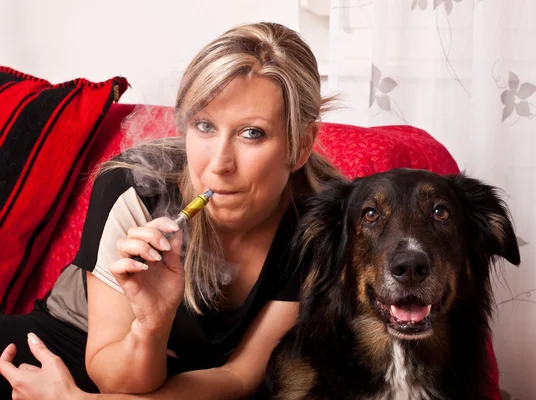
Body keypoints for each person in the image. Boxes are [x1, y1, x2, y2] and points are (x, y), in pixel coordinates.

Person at [0, 21, 343, 399]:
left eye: (252, 133)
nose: (219, 164)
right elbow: (113, 378)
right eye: (204, 125)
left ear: (301, 144)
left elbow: (240, 379)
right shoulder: (132, 187)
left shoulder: (320, 222)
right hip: (66, 343)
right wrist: (152, 322)